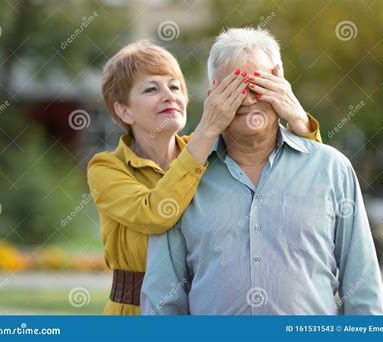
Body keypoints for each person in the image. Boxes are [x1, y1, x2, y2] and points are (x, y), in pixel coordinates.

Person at [141, 28, 383, 315]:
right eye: (233, 89)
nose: (246, 101)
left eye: (256, 85)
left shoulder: (332, 169)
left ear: (279, 83)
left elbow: (363, 286)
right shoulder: (182, 180)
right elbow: (161, 301)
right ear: (212, 97)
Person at [87, 40, 322, 315]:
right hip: (135, 313)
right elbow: (155, 214)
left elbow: (299, 171)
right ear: (123, 110)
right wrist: (209, 128)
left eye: (175, 86)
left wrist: (297, 119)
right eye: (152, 88)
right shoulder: (106, 167)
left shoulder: (210, 153)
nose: (169, 95)